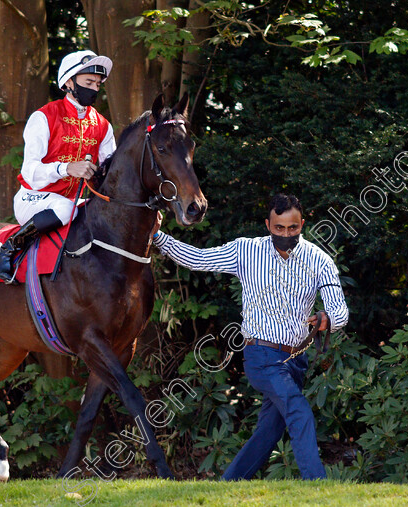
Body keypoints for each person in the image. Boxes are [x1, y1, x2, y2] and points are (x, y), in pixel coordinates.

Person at [150, 193, 349, 480]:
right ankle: (318, 487)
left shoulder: (319, 260)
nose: (286, 234)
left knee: (269, 432)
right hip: (261, 355)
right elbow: (199, 259)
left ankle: (226, 486)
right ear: (268, 224)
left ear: (302, 224)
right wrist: (159, 237)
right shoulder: (246, 251)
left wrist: (328, 318)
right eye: (279, 228)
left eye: (292, 228)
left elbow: (340, 310)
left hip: (296, 359)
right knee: (299, 411)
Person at [0, 50, 117, 283]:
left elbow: (111, 172)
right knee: (66, 210)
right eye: (88, 82)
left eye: (98, 84)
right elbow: (30, 172)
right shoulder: (43, 117)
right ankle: (8, 248)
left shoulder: (102, 125)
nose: (94, 89)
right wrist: (67, 168)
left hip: (72, 201)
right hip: (33, 197)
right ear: (68, 82)